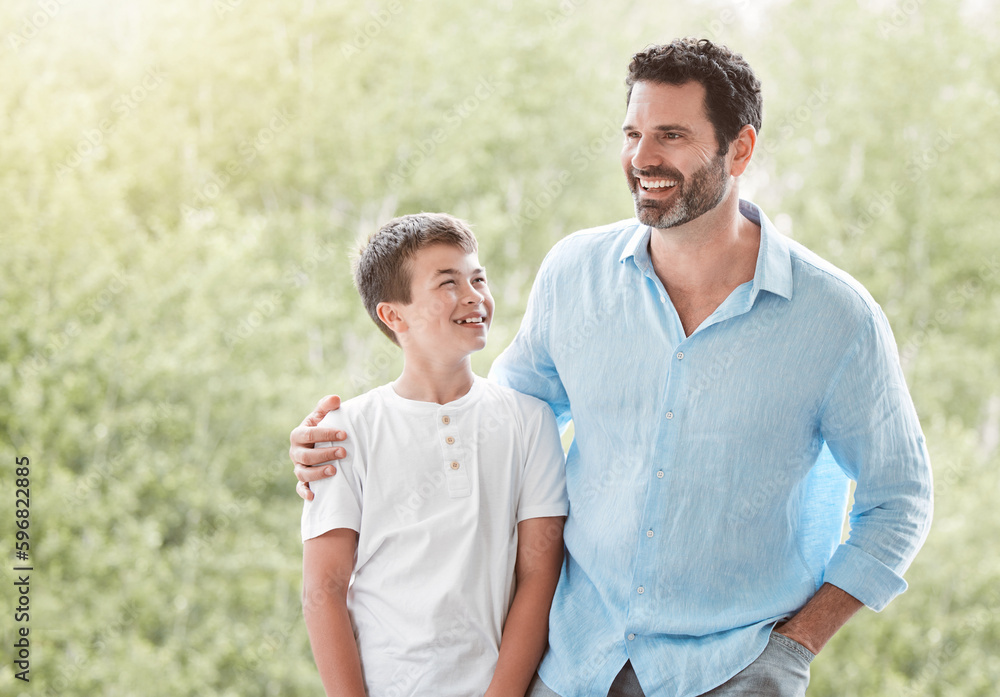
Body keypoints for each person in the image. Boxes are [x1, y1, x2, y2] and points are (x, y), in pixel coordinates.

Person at [292, 40, 933, 697]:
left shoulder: (834, 319)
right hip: (574, 663)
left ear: (739, 149)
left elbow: (900, 500)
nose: (643, 158)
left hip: (734, 672)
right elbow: (497, 420)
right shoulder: (575, 275)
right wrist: (345, 443)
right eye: (633, 133)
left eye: (672, 135)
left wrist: (795, 645)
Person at [299, 212, 568, 697]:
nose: (473, 296)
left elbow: (538, 575)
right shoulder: (345, 431)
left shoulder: (530, 422)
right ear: (394, 315)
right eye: (448, 283)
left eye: (478, 278)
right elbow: (323, 593)